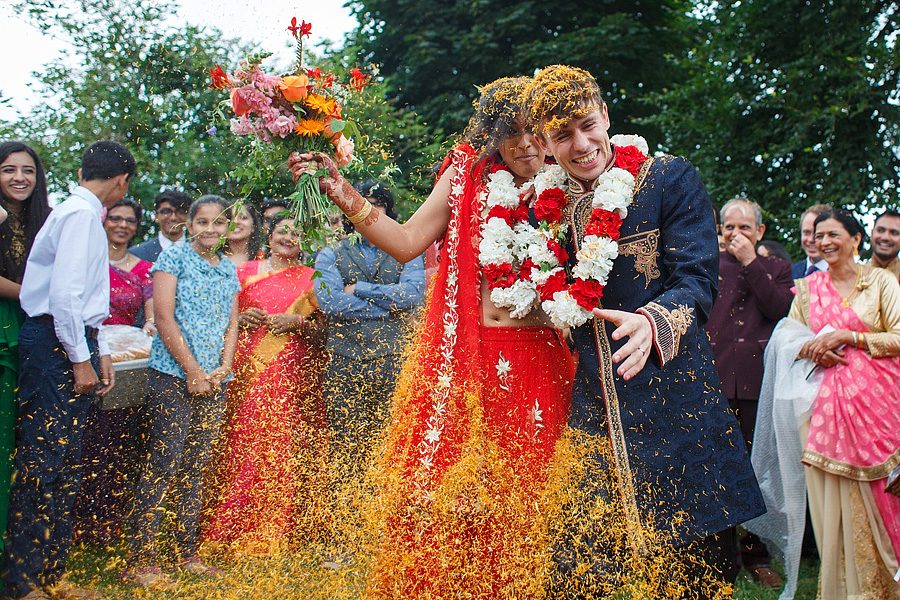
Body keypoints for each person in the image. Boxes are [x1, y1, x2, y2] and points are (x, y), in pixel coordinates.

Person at [289, 76, 576, 596]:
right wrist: (340, 189)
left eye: (536, 130)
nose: (526, 143)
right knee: (453, 491)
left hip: (542, 358)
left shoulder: (576, 176)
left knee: (527, 490)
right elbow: (405, 241)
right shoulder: (466, 174)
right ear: (491, 136)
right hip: (467, 356)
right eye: (510, 133)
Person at [525, 65, 765, 593]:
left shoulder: (667, 178)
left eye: (588, 125)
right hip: (591, 408)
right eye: (562, 134)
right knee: (585, 571)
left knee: (696, 570)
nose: (582, 144)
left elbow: (698, 279)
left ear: (606, 115)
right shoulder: (542, 210)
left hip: (674, 396)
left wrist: (654, 320)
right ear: (544, 142)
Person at [4, 140, 135, 600]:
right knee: (45, 459)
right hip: (53, 343)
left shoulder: (78, 213)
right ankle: (21, 581)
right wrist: (80, 357)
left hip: (74, 338)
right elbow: (62, 298)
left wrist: (95, 349)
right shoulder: (79, 216)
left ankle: (52, 574)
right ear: (121, 181)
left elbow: (82, 302)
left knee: (67, 461)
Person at [750, 209, 900, 599]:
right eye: (819, 236)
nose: (825, 241)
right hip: (825, 412)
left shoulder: (881, 282)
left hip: (881, 408)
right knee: (834, 504)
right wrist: (812, 347)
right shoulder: (808, 288)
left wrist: (848, 336)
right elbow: (787, 338)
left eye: (834, 234)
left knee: (886, 495)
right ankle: (847, 589)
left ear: (855, 239)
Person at [124, 195, 240, 589]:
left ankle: (183, 551)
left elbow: (232, 322)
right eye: (202, 222)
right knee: (164, 462)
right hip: (173, 376)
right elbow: (164, 315)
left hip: (213, 381)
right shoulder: (173, 259)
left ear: (227, 228)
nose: (210, 229)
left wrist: (224, 366)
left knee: (196, 466)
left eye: (218, 223)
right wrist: (191, 370)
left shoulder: (227, 269)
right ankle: (140, 558)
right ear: (190, 225)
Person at [203, 215, 327, 553]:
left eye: (297, 233)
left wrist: (298, 321)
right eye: (282, 231)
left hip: (290, 375)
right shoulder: (243, 273)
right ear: (269, 237)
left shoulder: (313, 278)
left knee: (280, 446)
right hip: (245, 373)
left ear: (306, 241)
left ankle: (272, 530)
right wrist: (240, 319)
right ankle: (224, 525)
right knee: (240, 442)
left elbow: (323, 333)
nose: (288, 238)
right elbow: (218, 320)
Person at [705, 197, 793, 588]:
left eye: (745, 228)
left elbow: (780, 309)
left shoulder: (774, 267)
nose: (736, 235)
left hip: (759, 384)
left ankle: (757, 554)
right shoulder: (708, 266)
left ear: (760, 232)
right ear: (720, 232)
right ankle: (720, 559)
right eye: (729, 228)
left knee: (759, 473)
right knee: (718, 471)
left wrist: (750, 263)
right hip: (717, 382)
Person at [73, 198, 154, 544]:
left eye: (129, 221)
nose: (121, 225)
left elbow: (151, 313)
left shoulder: (143, 268)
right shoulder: (88, 261)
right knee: (82, 437)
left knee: (116, 439)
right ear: (105, 222)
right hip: (84, 351)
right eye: (115, 219)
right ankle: (75, 521)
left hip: (127, 359)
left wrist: (151, 324)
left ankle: (108, 519)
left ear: (137, 227)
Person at [0, 141, 51, 567]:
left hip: (37, 334)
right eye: (8, 170)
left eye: (28, 171)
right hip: (6, 328)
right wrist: (35, 297)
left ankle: (26, 550)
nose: (19, 178)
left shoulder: (46, 222)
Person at [130, 189, 192, 263]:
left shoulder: (199, 253)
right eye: (166, 211)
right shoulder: (136, 254)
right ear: (156, 216)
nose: (173, 218)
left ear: (188, 216)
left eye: (180, 212)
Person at [791, 203, 831, 279]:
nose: (811, 239)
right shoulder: (790, 274)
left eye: (818, 234)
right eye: (806, 232)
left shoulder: (845, 275)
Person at [223, 203, 260, 268]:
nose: (236, 222)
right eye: (230, 218)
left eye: (243, 218)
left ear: (253, 226)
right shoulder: (211, 258)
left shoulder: (264, 257)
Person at [868, 208, 900, 278]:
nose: (885, 237)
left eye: (894, 233)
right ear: (872, 233)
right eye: (880, 230)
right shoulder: (855, 276)